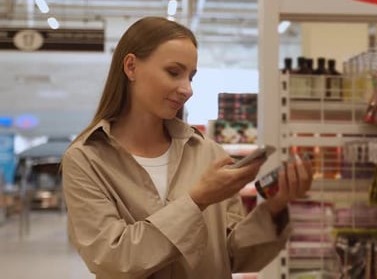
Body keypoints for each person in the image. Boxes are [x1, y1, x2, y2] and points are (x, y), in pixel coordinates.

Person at [61, 16, 313, 279]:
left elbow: (233, 255)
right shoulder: (86, 160)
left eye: (191, 76)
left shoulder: (208, 153)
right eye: (173, 72)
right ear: (131, 67)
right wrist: (197, 201)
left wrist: (274, 208)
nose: (187, 89)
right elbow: (112, 258)